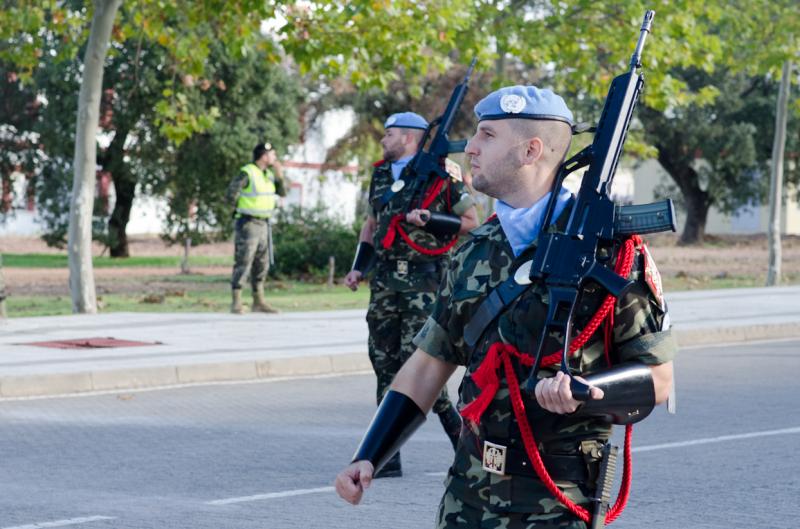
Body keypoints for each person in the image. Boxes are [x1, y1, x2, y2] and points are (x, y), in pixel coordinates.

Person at [335, 86, 677, 527]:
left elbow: (658, 379)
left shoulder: (615, 255)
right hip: (469, 492)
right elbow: (426, 365)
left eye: (487, 136)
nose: (471, 148)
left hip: (555, 499)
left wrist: (586, 393)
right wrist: (370, 455)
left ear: (530, 150)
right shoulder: (473, 251)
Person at [344, 111, 480, 478]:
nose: (383, 141)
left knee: (418, 369)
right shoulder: (381, 175)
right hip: (386, 284)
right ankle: (383, 459)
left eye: (389, 134)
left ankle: (464, 447)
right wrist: (359, 266)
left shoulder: (443, 174)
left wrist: (430, 220)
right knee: (383, 364)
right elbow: (371, 225)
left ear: (408, 137)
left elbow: (472, 222)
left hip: (424, 284)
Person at [226, 142, 286, 314]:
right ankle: (236, 302)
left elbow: (282, 193)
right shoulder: (248, 172)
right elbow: (231, 194)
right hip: (248, 224)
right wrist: (240, 211)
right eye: (272, 154)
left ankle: (258, 301)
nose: (275, 158)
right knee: (244, 261)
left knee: (262, 263)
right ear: (264, 156)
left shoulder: (268, 174)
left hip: (264, 224)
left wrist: (279, 174)